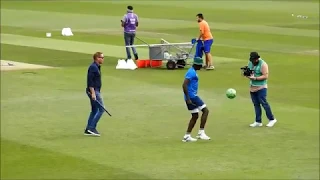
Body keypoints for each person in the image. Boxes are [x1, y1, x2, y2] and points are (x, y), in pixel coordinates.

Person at [182, 57, 211, 142]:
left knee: (195, 116)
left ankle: (187, 136)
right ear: (196, 65)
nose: (201, 67)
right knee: (206, 111)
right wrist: (188, 98)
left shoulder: (192, 71)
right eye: (200, 65)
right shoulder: (191, 73)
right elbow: (184, 85)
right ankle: (201, 133)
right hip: (192, 96)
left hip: (190, 96)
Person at [246, 52, 277, 127]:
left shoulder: (263, 64)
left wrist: (255, 78)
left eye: (254, 60)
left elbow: (265, 76)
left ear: (257, 59)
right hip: (253, 87)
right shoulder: (250, 62)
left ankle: (272, 119)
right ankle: (258, 121)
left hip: (261, 87)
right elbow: (249, 71)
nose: (252, 61)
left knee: (264, 103)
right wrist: (247, 74)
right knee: (256, 104)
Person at [84, 52, 105, 136]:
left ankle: (88, 129)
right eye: (101, 57)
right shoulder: (93, 67)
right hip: (94, 91)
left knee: (94, 110)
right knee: (101, 109)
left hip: (95, 91)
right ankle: (92, 128)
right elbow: (90, 81)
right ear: (97, 58)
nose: (103, 59)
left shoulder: (96, 67)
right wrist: (93, 93)